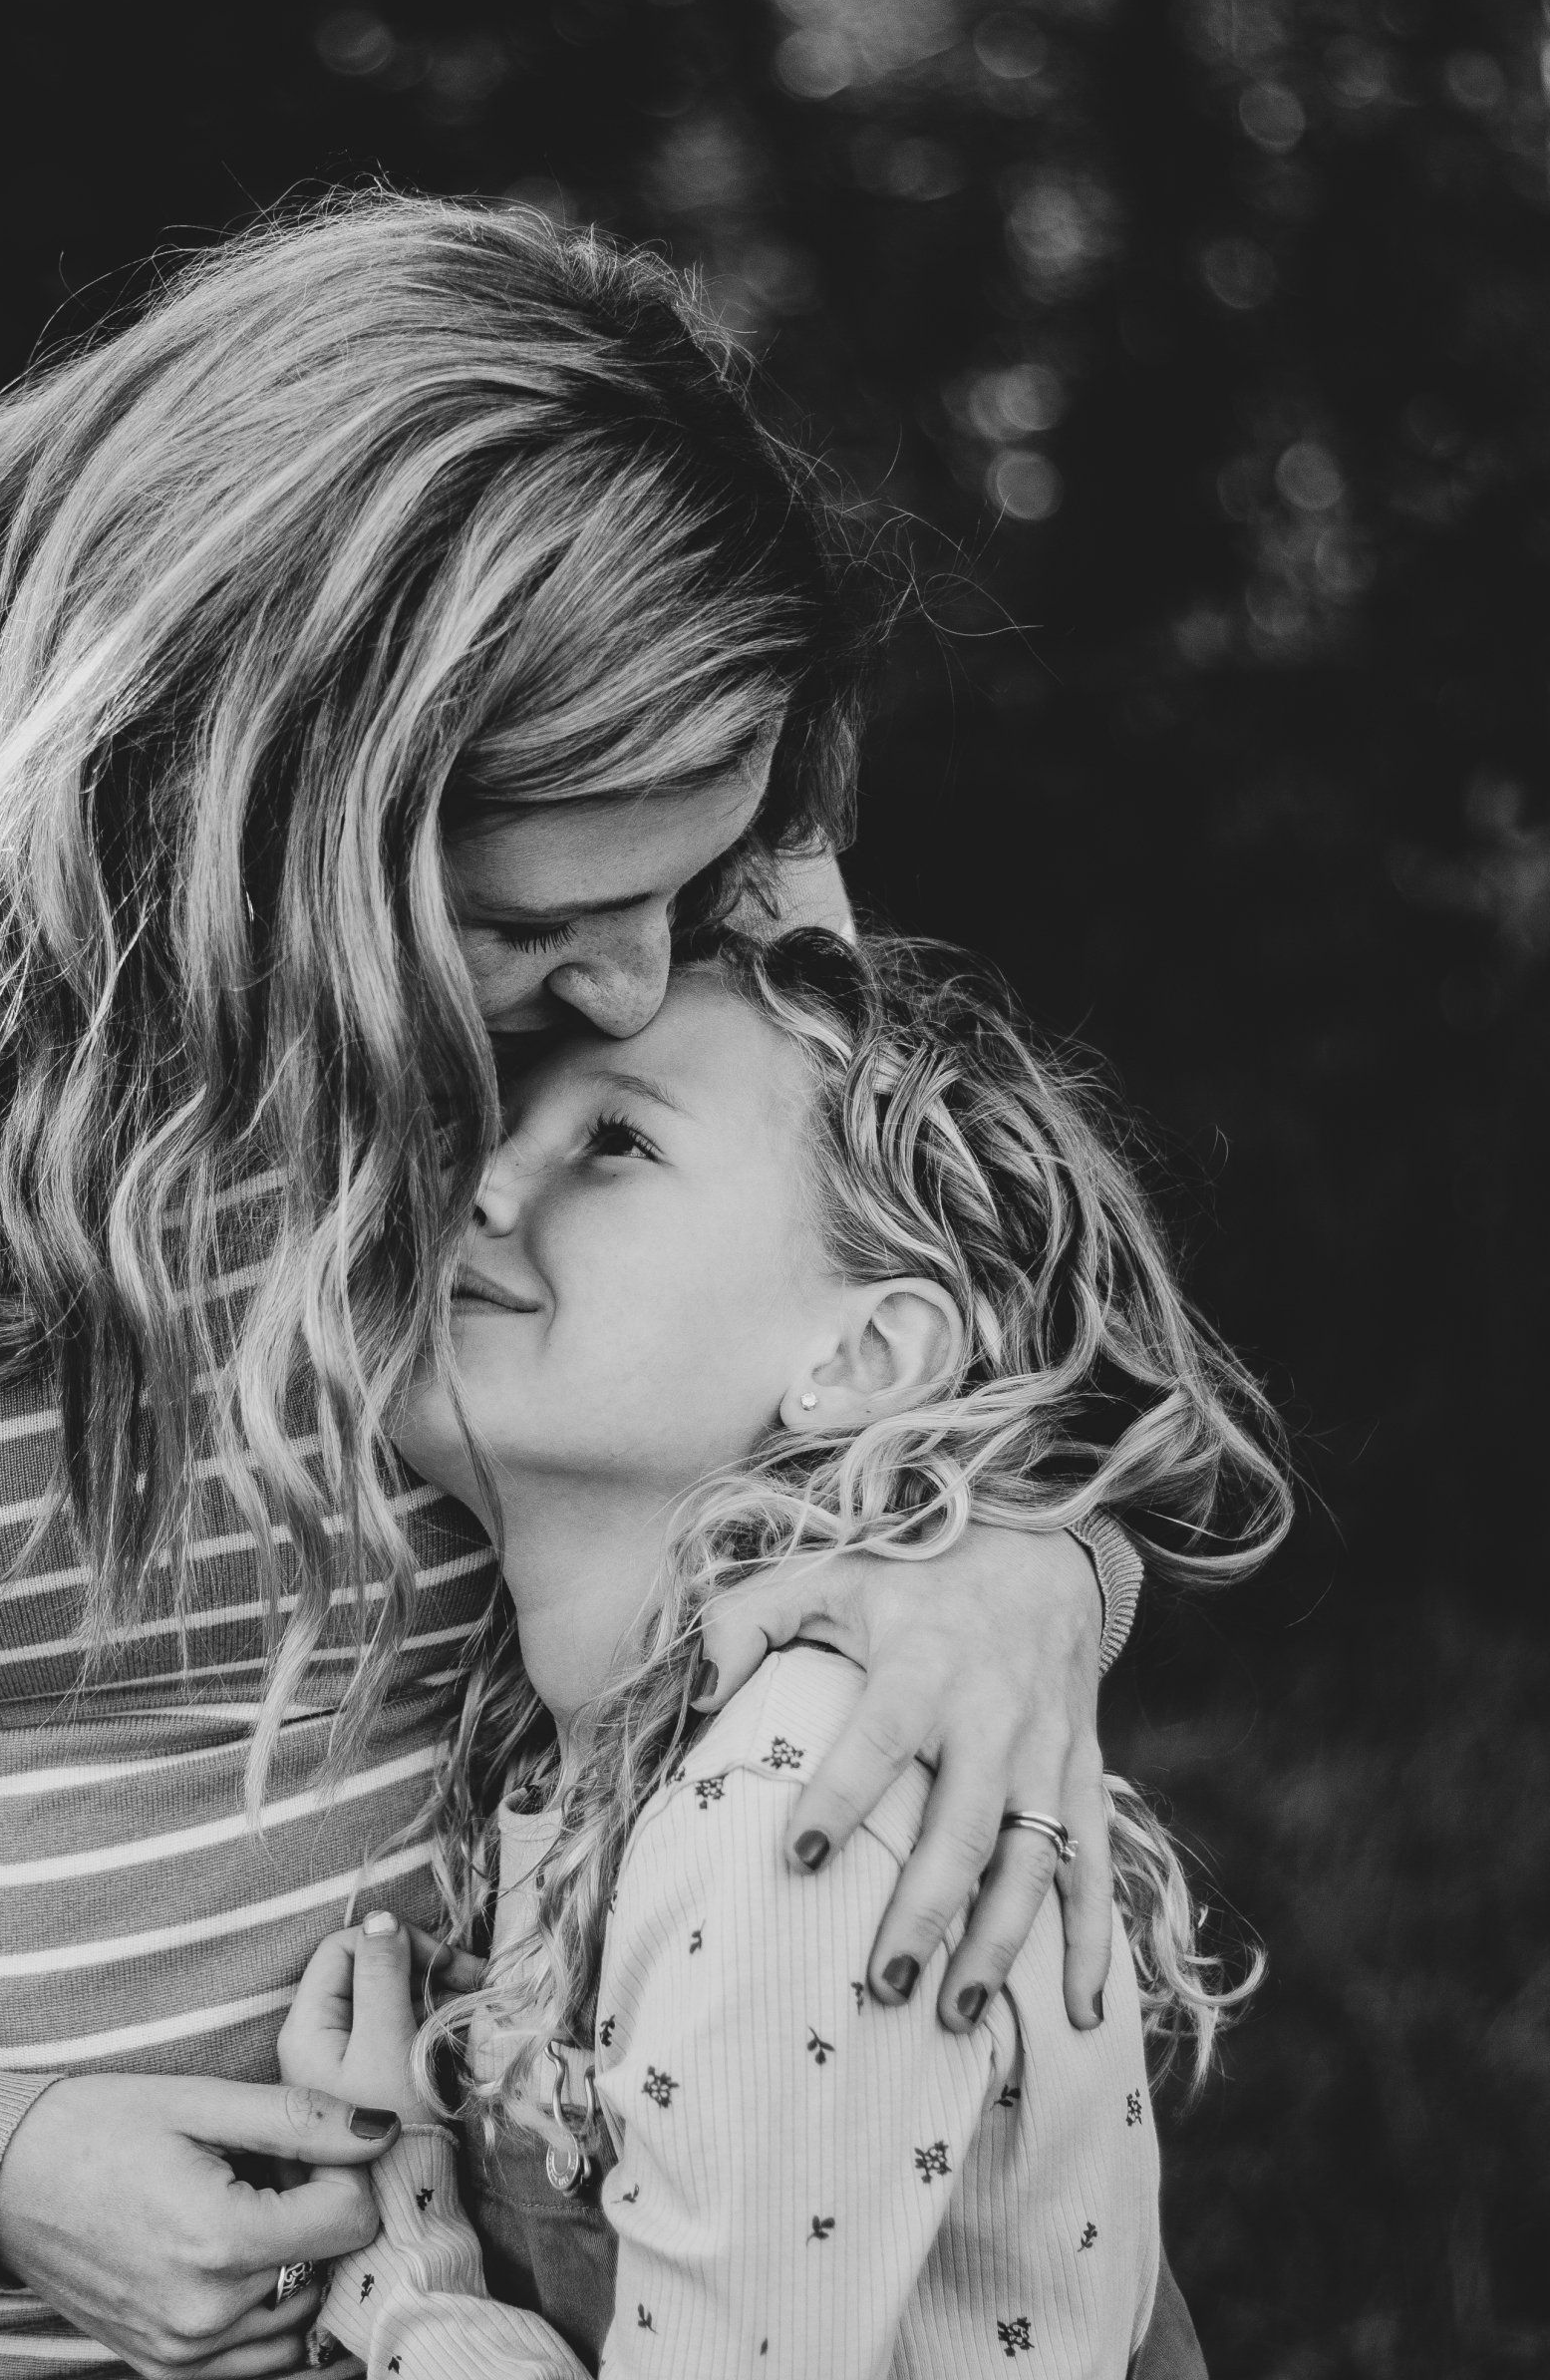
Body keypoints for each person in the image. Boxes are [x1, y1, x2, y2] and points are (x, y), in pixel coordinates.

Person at [0, 196, 1140, 2378]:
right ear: (278, 799)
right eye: (555, 912)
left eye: (694, 885)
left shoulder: (649, 842)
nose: (644, 977)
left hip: (546, 2304)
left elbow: (915, 1305)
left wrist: (1017, 1561)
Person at [286, 930, 1290, 2377]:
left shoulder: (796, 1808)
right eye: (492, 1130)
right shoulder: (602, 1744)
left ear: (865, 1355)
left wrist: (403, 2264)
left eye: (618, 1141)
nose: (482, 1184)